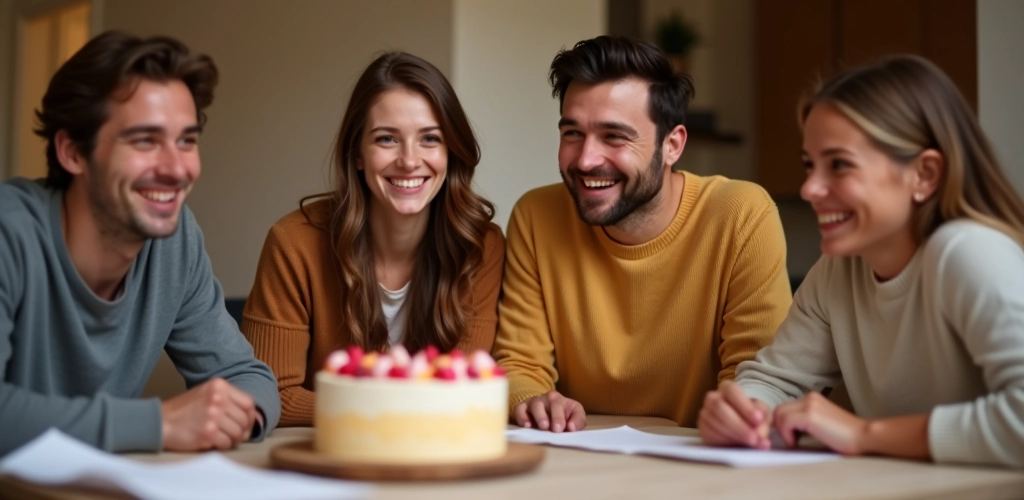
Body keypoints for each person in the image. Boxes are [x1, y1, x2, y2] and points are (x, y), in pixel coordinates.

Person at [698, 55, 1024, 468]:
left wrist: (864, 434)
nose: (810, 188)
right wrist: (743, 413)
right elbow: (775, 381)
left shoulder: (968, 252)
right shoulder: (839, 269)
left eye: (839, 165)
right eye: (809, 165)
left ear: (924, 174)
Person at [492, 35, 793, 432]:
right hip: (576, 464)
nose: (585, 159)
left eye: (614, 136)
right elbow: (519, 362)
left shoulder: (741, 215)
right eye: (572, 133)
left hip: (702, 466)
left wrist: (744, 417)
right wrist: (531, 399)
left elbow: (758, 374)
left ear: (672, 145)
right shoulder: (537, 215)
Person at [0, 31, 280, 456]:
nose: (176, 168)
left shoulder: (174, 240)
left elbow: (245, 374)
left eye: (186, 140)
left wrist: (235, 415)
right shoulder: (9, 231)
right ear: (72, 151)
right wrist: (160, 424)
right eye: (145, 140)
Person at [242, 52, 504, 426]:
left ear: (451, 152)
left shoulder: (480, 246)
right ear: (358, 154)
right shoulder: (293, 244)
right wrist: (385, 409)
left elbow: (464, 387)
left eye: (430, 139)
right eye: (386, 139)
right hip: (328, 463)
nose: (410, 161)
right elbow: (270, 393)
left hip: (435, 462)